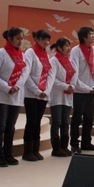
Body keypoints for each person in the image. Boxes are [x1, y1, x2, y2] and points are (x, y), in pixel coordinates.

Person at [0, 27, 30, 167]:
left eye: (22, 38)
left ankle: (8, 153)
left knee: (10, 127)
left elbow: (25, 72)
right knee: (0, 126)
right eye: (18, 38)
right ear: (10, 39)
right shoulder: (0, 54)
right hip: (2, 95)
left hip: (16, 96)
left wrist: (17, 86)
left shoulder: (22, 55)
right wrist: (7, 88)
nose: (21, 41)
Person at [22, 30, 54, 161]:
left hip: (43, 94)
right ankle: (27, 151)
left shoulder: (45, 54)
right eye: (43, 39)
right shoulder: (30, 52)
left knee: (38, 122)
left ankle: (36, 149)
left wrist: (46, 90)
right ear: (37, 39)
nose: (46, 42)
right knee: (31, 122)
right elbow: (26, 74)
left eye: (47, 40)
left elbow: (50, 73)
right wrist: (36, 90)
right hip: (31, 94)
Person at [70, 26, 94, 154]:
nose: (93, 36)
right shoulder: (76, 51)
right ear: (84, 37)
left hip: (91, 91)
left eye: (93, 34)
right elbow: (74, 73)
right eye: (90, 34)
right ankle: (74, 144)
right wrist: (87, 88)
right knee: (77, 118)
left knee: (89, 118)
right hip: (80, 91)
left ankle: (86, 142)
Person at [49, 38, 77, 157]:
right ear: (59, 48)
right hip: (56, 96)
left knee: (65, 122)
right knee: (57, 122)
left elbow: (75, 75)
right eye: (66, 46)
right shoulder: (54, 61)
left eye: (69, 45)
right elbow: (52, 79)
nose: (69, 48)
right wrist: (66, 86)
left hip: (67, 96)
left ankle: (64, 146)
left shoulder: (70, 61)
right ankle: (56, 148)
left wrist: (72, 86)